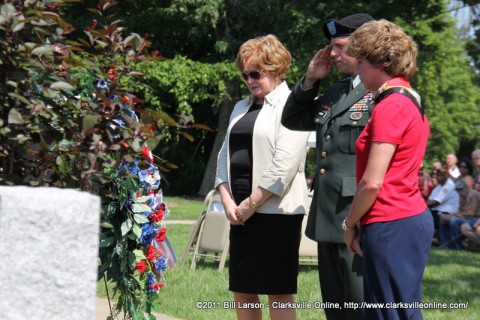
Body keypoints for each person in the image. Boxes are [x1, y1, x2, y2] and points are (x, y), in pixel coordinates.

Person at [281, 13, 374, 320]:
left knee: (359, 308)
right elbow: (292, 119)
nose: (332, 54)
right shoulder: (335, 92)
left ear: (364, 47)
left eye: (340, 46)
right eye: (331, 47)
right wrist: (310, 80)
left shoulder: (380, 93)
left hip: (357, 219)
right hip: (327, 217)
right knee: (335, 309)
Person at [342, 19, 433, 320]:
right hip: (402, 219)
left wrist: (349, 224)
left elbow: (371, 182)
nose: (357, 71)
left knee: (389, 314)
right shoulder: (408, 99)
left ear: (380, 61)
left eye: (361, 63)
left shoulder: (390, 105)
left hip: (391, 221)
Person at [215, 34, 310, 320]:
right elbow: (223, 156)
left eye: (255, 73)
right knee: (243, 290)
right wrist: (228, 200)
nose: (249, 80)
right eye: (245, 75)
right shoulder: (240, 106)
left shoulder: (293, 105)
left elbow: (285, 164)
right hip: (240, 214)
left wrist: (250, 204)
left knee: (277, 292)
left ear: (276, 68)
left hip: (276, 213)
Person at [439, 181, 480, 249]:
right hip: (467, 217)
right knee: (443, 219)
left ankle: (456, 246)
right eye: (458, 190)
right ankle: (445, 244)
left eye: (461, 189)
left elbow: (470, 213)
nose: (459, 192)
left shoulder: (473, 195)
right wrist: (450, 216)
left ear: (466, 187)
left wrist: (452, 216)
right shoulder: (462, 196)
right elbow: (460, 211)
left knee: (454, 221)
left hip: (475, 218)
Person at [426, 170, 460, 240]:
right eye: (438, 175)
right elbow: (429, 200)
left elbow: (435, 202)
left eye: (441, 175)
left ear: (447, 176)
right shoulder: (439, 186)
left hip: (448, 212)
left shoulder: (449, 185)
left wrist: (421, 206)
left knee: (424, 215)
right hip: (437, 210)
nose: (438, 177)